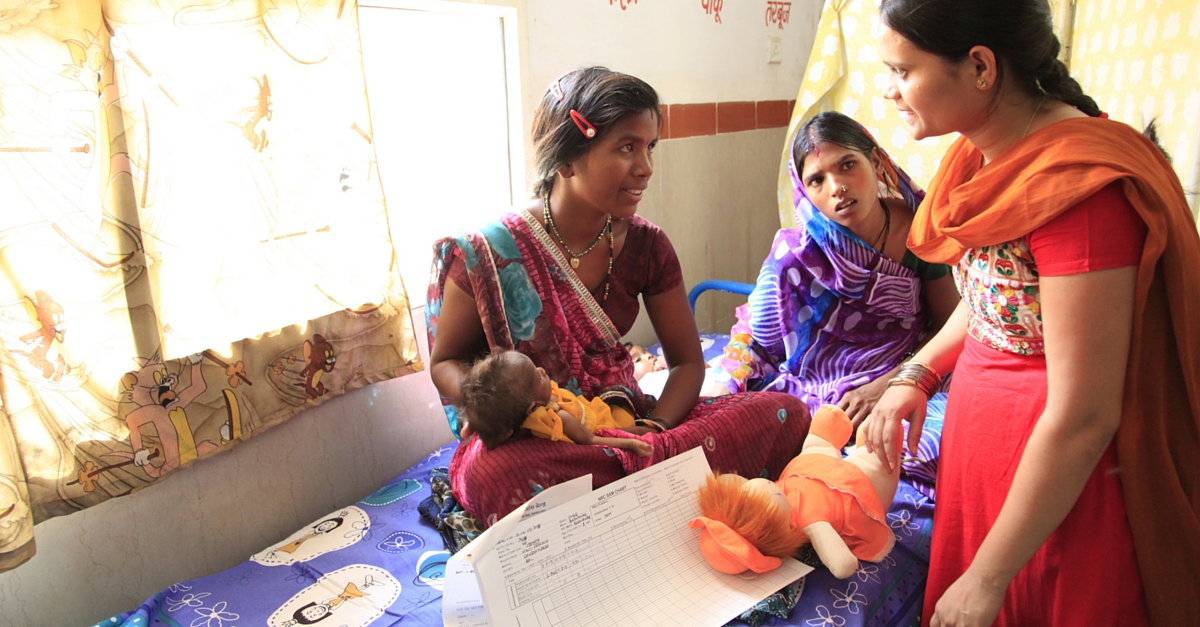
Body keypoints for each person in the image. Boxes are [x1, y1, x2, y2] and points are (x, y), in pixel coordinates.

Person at [862, 1, 1200, 625]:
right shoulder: (984, 152)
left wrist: (988, 578)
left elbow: (1084, 413)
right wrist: (917, 373)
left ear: (982, 67)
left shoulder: (1078, 195)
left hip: (1057, 477)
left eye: (901, 70)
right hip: (985, 444)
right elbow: (997, 295)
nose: (888, 90)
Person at [427, 66, 810, 527]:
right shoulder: (487, 252)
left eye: (650, 148)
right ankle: (647, 491)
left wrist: (655, 433)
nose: (645, 168)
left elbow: (689, 364)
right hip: (532, 436)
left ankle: (627, 490)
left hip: (623, 426)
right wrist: (496, 403)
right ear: (567, 159)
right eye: (627, 147)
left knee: (784, 412)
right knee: (493, 473)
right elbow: (444, 362)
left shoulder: (647, 246)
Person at [711, 112, 959, 425]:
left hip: (910, 370)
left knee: (937, 440)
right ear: (804, 192)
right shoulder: (795, 256)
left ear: (877, 163)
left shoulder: (920, 233)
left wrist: (889, 385)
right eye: (817, 180)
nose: (837, 187)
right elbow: (757, 338)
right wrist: (722, 387)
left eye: (847, 165)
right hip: (821, 386)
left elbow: (948, 327)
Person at [456, 349, 653, 457]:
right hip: (606, 421)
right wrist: (631, 441)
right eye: (538, 377)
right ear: (532, 408)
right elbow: (592, 440)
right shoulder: (560, 417)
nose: (542, 370)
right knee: (631, 411)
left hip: (592, 407)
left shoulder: (521, 408)